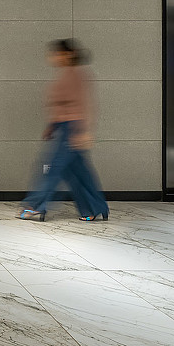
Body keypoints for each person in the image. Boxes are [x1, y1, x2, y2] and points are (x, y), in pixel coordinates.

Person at [18, 39, 109, 222]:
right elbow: (60, 105)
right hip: (65, 128)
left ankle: (35, 207)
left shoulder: (77, 74)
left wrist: (84, 131)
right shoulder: (67, 73)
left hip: (73, 129)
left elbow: (85, 104)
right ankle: (95, 208)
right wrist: (52, 126)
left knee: (52, 170)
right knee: (78, 174)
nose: (54, 57)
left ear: (69, 54)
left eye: (58, 54)